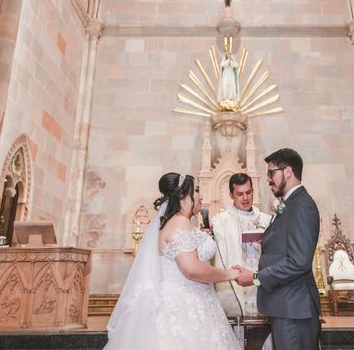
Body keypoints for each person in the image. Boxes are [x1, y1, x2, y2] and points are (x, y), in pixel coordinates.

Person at [104, 173, 240, 350]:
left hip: (196, 301)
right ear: (183, 197)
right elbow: (191, 269)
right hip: (184, 307)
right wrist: (229, 274)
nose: (201, 196)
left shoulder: (177, 223)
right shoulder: (180, 223)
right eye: (196, 190)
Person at [236, 148, 321, 349]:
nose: (268, 179)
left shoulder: (301, 205)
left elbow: (299, 261)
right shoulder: (290, 204)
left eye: (271, 172)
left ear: (288, 171)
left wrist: (256, 277)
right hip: (287, 306)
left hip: (294, 308)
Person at [212, 173, 272, 317]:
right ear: (231, 195)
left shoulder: (267, 220)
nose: (245, 198)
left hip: (262, 288)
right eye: (240, 194)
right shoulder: (220, 222)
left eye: (248, 192)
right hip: (234, 289)